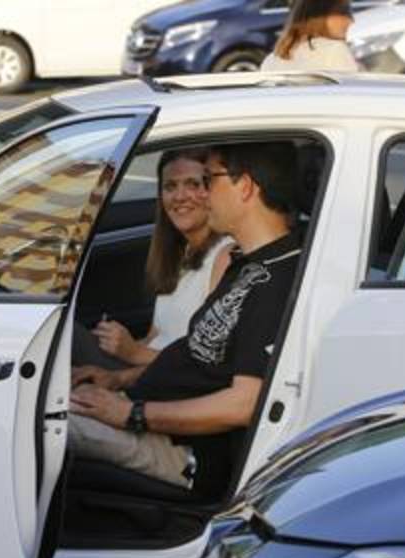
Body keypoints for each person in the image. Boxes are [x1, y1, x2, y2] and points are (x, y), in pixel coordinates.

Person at [69, 142, 303, 489]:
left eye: (209, 180)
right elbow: (194, 356)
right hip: (146, 410)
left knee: (34, 423)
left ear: (245, 186)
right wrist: (118, 382)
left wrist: (131, 414)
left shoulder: (277, 280)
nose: (203, 194)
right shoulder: (247, 264)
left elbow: (244, 404)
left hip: (177, 446)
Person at [75, 148, 234, 370]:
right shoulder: (180, 254)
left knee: (69, 339)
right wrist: (116, 363)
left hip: (176, 390)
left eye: (193, 184)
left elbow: (208, 361)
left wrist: (133, 353)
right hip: (151, 375)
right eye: (170, 186)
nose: (179, 197)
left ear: (213, 191)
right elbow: (156, 337)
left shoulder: (225, 257)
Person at [260, 0, 359, 73]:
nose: (351, 21)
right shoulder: (334, 51)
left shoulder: (271, 61)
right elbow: (355, 96)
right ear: (320, 15)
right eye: (344, 12)